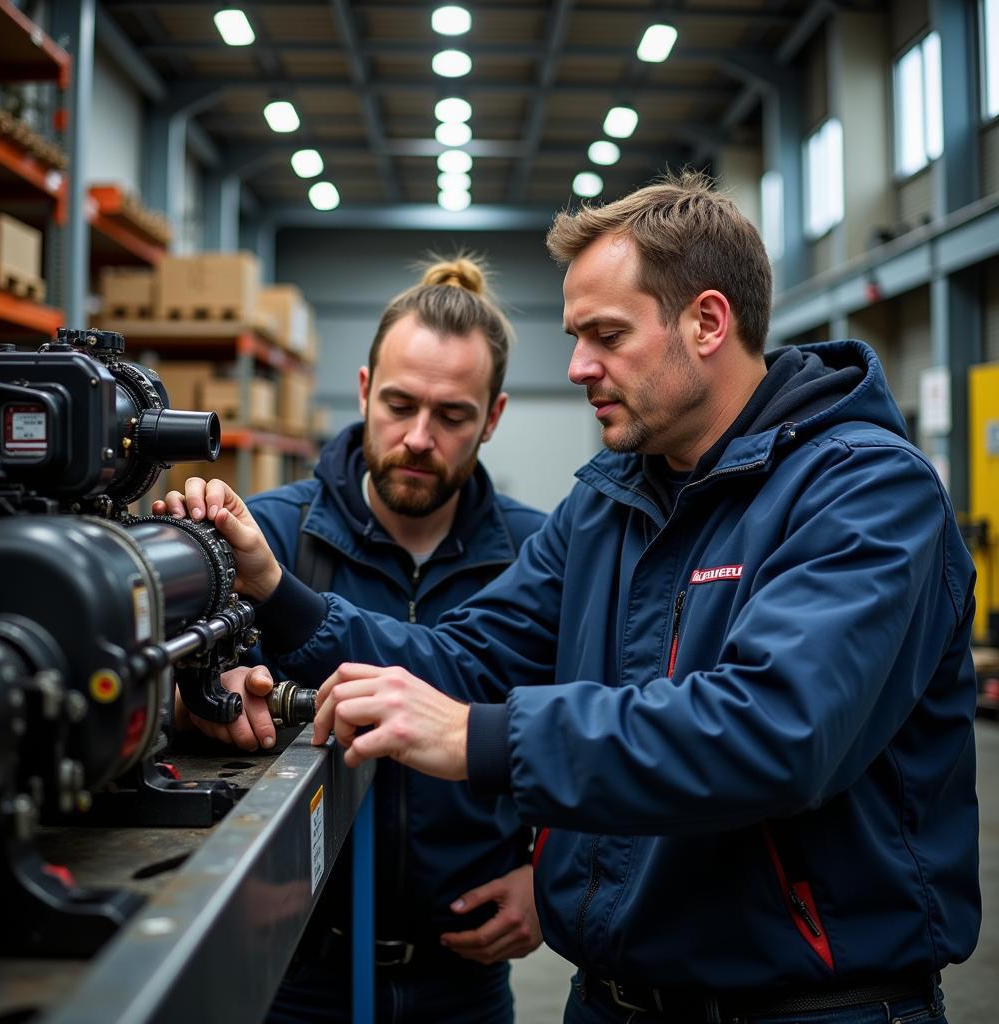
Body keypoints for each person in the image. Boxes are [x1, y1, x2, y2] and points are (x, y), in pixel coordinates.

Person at [163, 172, 980, 1024]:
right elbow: (471, 657)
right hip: (613, 1001)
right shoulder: (611, 503)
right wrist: (278, 594)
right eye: (574, 334)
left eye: (606, 335)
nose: (579, 365)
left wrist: (481, 737)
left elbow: (777, 729)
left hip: (808, 1008)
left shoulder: (865, 490)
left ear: (707, 321)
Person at [165, 257, 546, 1024]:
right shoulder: (268, 536)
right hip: (295, 968)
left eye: (452, 416)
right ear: (366, 388)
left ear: (494, 417)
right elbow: (166, 708)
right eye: (400, 404)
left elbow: (586, 717)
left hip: (462, 977)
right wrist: (201, 704)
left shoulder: (536, 559)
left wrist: (551, 878)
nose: (418, 438)